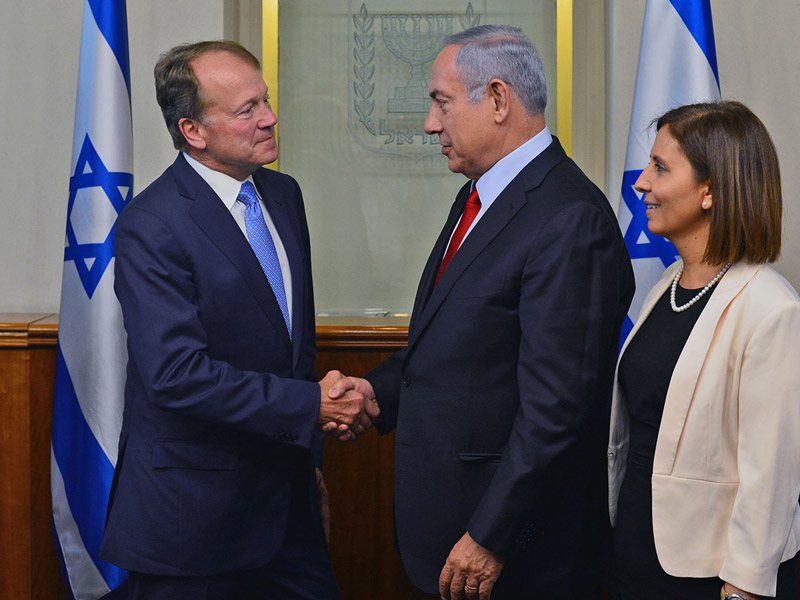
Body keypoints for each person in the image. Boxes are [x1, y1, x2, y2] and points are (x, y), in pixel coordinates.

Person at [330, 25, 634, 599]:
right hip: (453, 534)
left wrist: (491, 534)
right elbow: (461, 342)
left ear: (497, 99)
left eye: (441, 102)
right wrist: (376, 393)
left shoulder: (569, 218)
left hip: (513, 555)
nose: (429, 123)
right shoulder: (483, 193)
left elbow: (559, 409)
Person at [99, 41, 377, 600]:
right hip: (193, 527)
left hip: (287, 512)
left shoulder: (282, 194)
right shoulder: (151, 225)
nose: (270, 118)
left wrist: (311, 464)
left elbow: (292, 349)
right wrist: (312, 407)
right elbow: (177, 374)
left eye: (266, 101)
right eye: (246, 109)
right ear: (193, 131)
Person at [608, 100, 800, 599]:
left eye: (660, 168)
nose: (641, 183)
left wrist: (744, 590)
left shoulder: (771, 308)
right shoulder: (668, 284)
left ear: (710, 190)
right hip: (637, 557)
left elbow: (771, 476)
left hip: (710, 578)